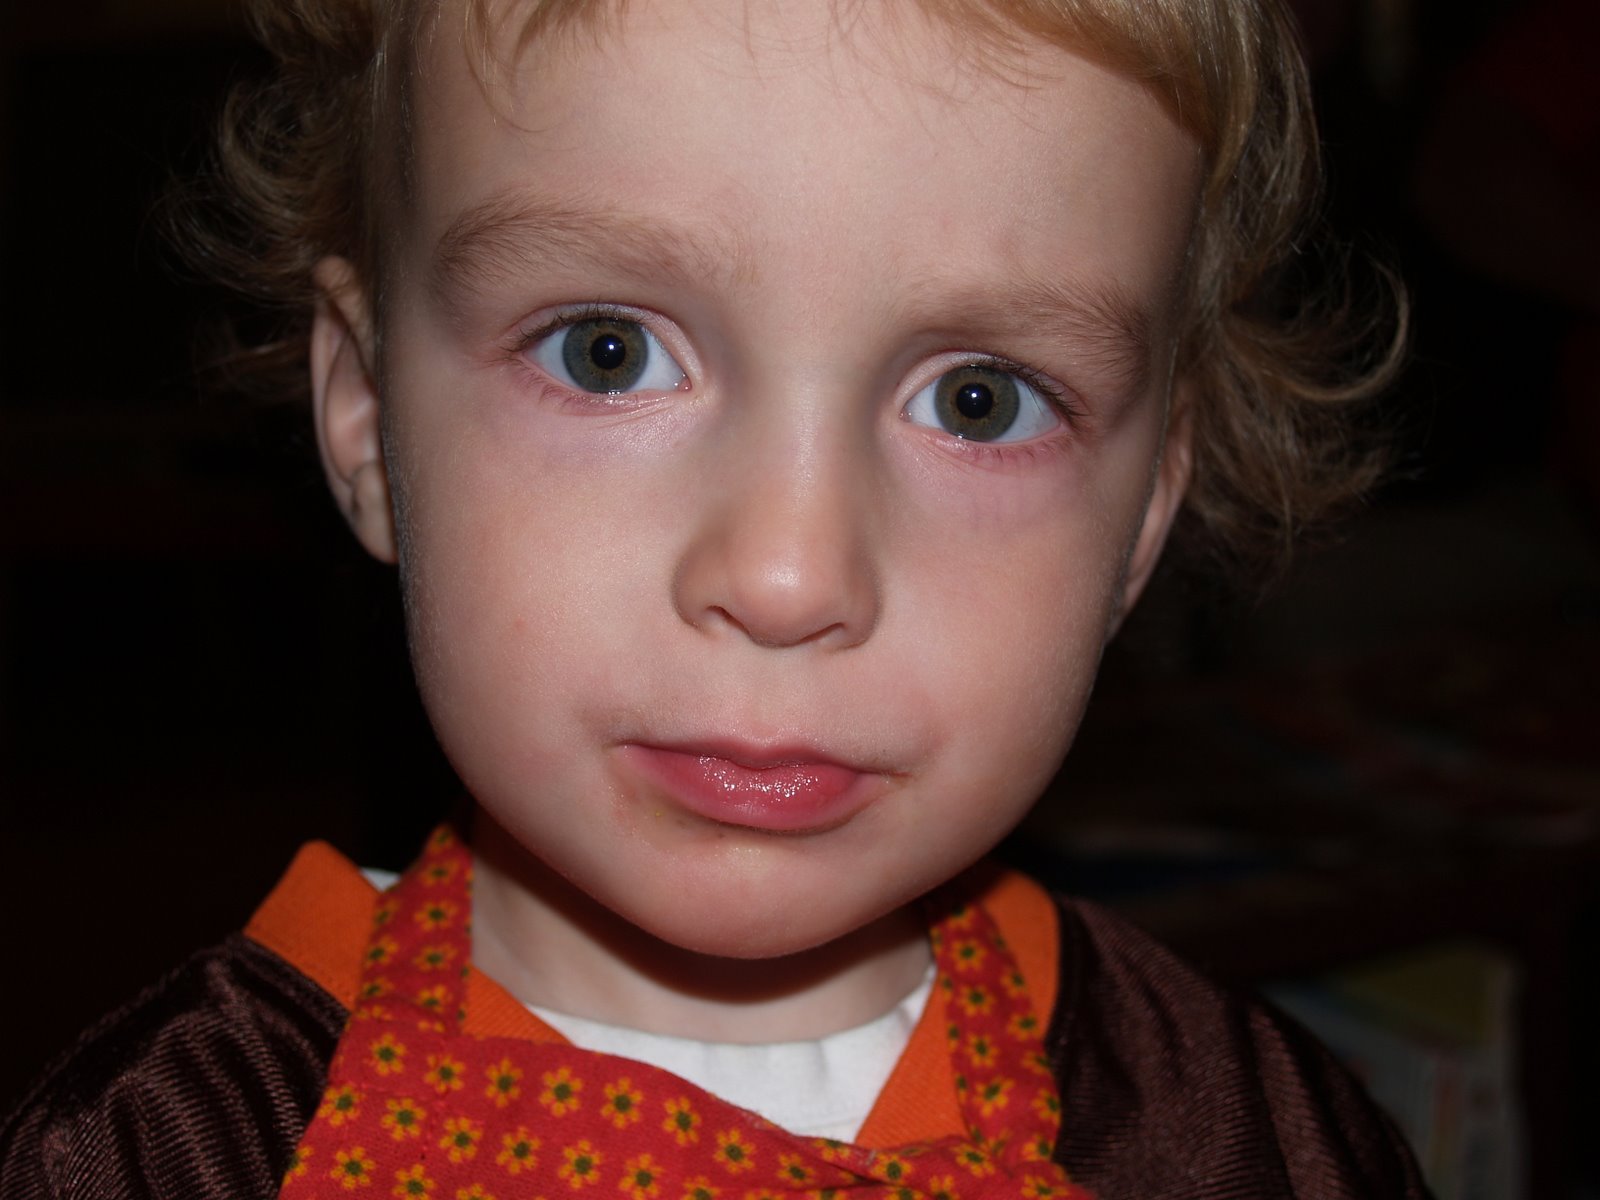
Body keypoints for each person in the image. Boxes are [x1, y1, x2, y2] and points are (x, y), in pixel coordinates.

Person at [0, 0, 1424, 1197]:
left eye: (978, 401)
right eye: (607, 351)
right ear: (372, 421)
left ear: (1144, 519)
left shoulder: (1246, 1141)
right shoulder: (181, 1147)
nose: (788, 577)